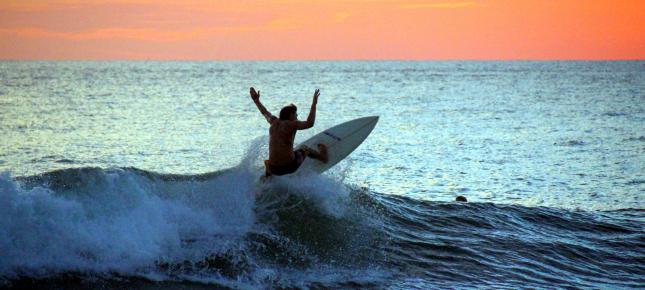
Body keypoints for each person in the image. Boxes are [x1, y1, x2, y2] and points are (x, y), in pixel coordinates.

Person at [250, 87, 328, 177]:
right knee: (304, 148)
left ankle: (267, 176)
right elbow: (310, 123)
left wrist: (256, 101)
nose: (297, 117)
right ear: (291, 115)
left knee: (270, 162)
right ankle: (323, 157)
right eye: (296, 115)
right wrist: (314, 103)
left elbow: (264, 112)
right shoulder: (291, 124)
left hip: (273, 169)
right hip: (289, 167)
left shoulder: (273, 122)